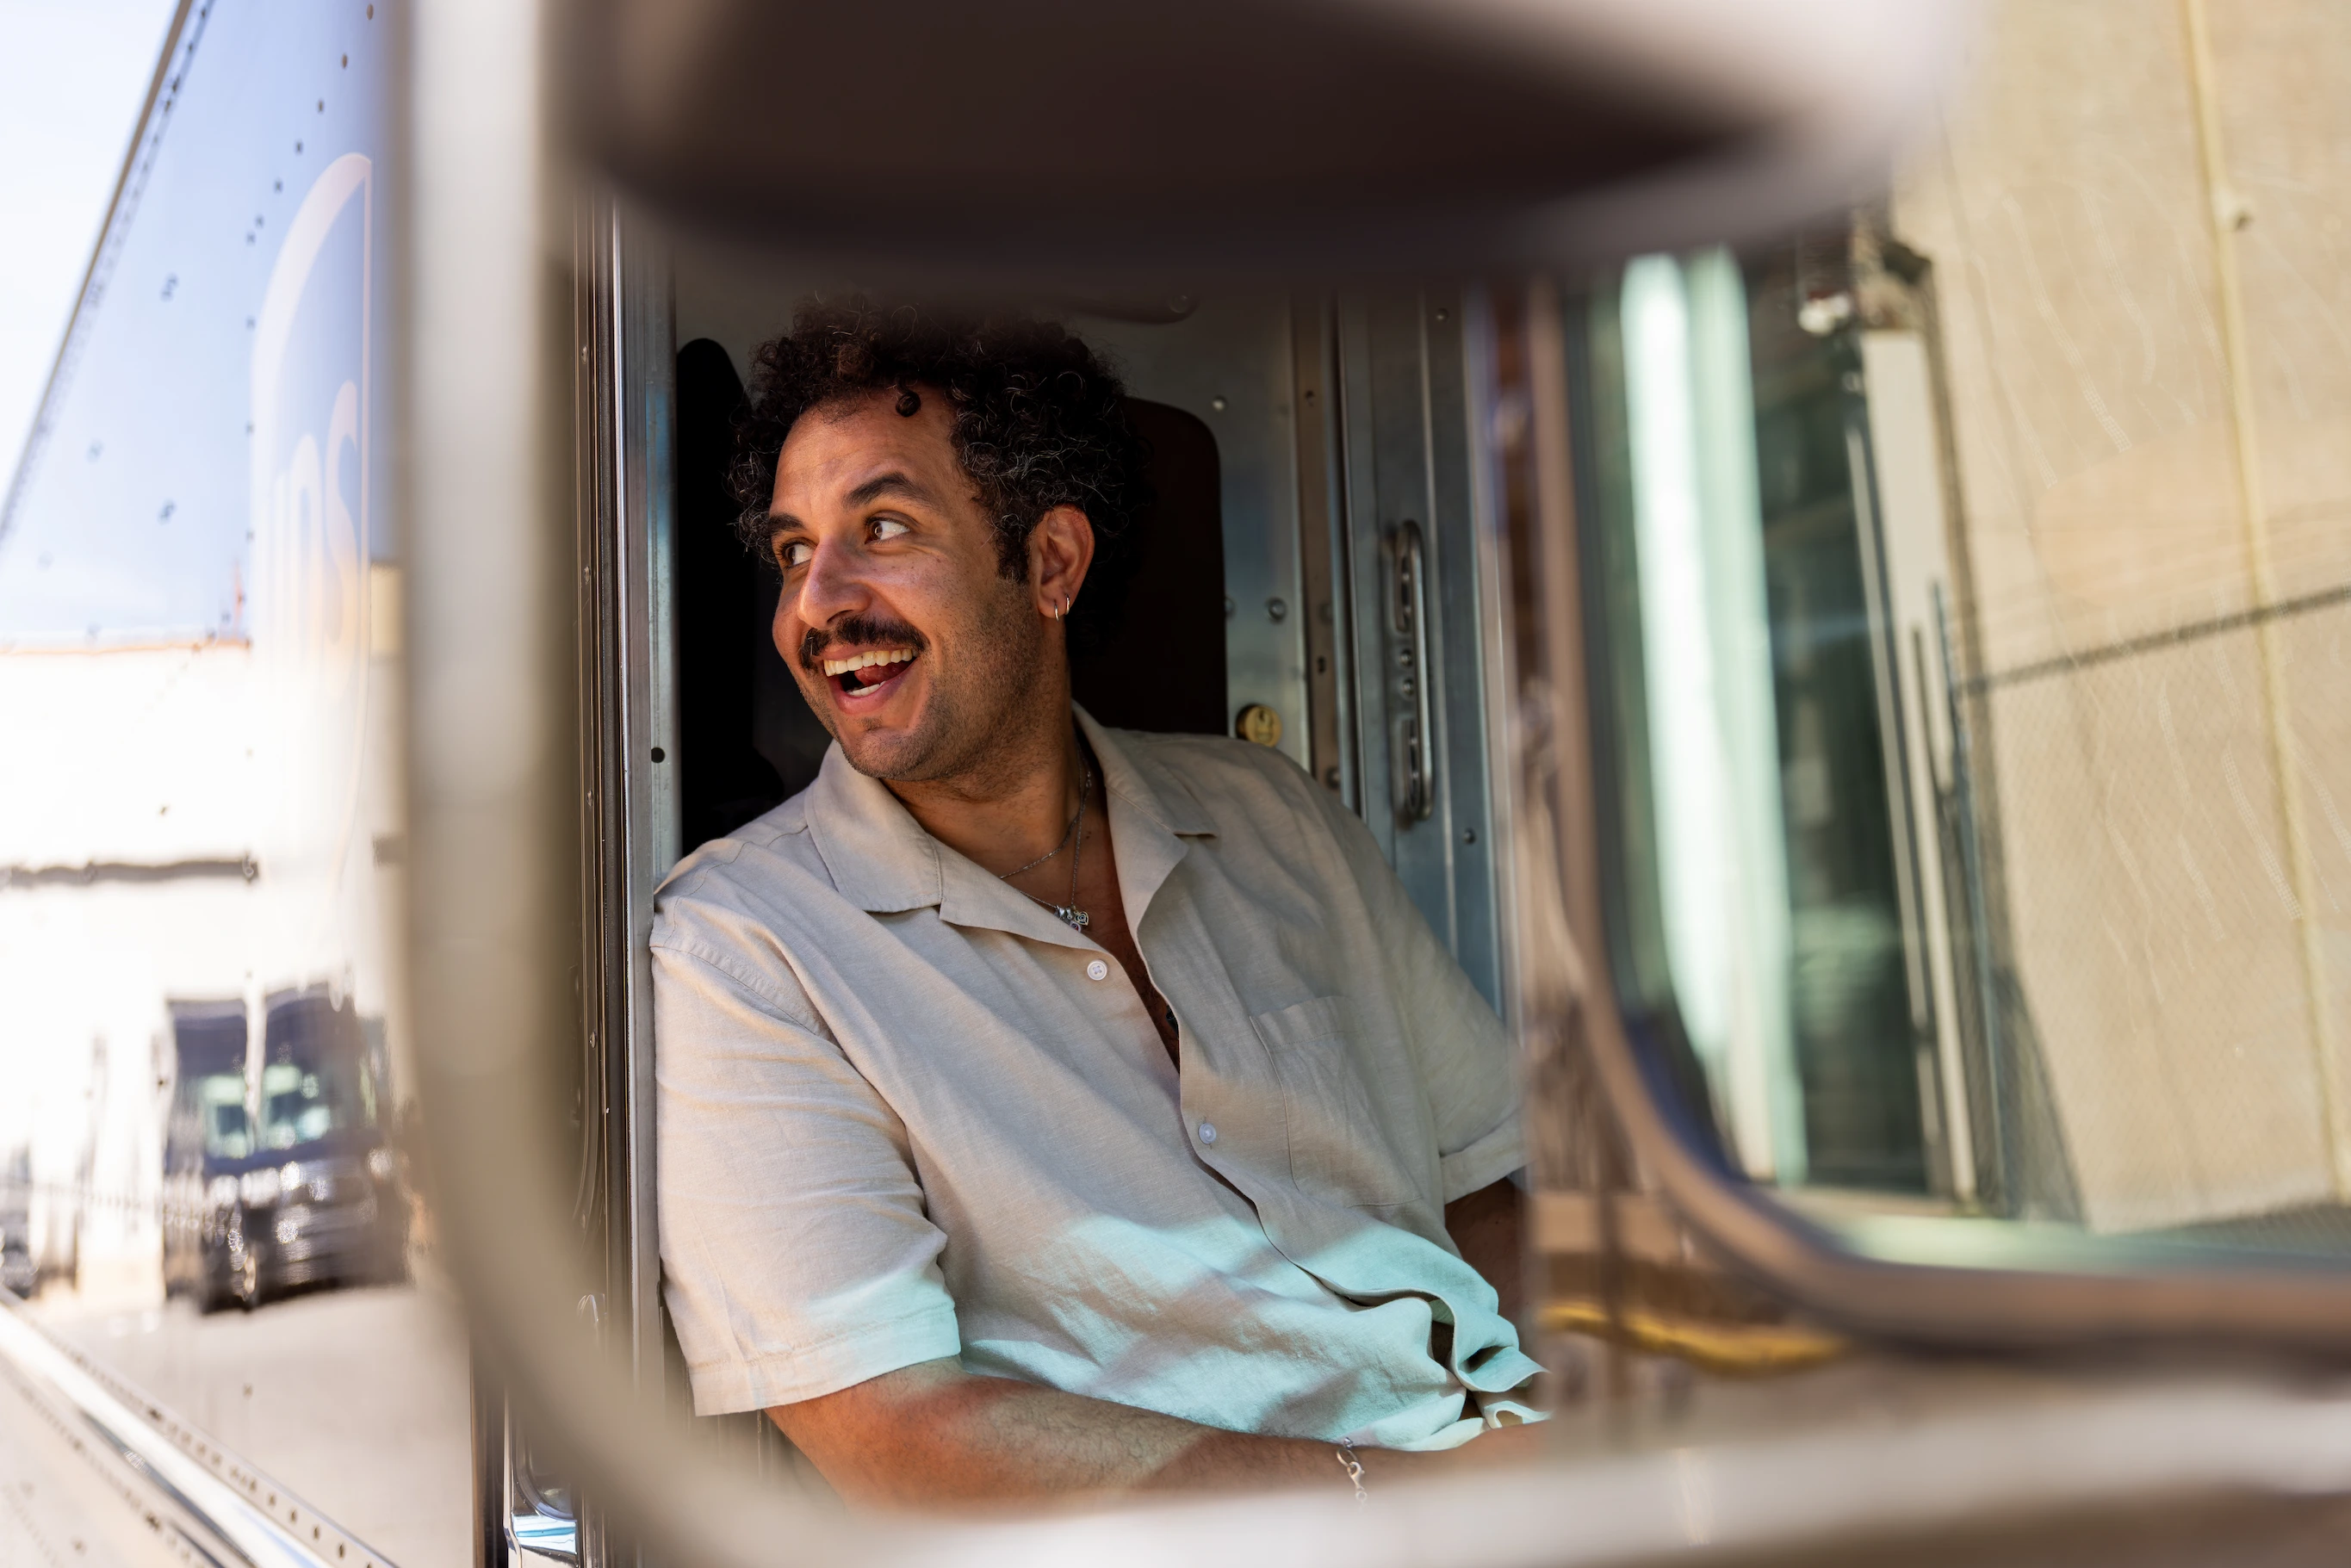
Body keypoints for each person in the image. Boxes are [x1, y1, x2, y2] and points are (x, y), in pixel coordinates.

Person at [652, 299, 1544, 1510]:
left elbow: (1486, 1200)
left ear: (1051, 564)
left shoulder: (1269, 817)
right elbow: (898, 1437)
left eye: (883, 527)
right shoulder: (745, 946)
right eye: (795, 549)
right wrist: (1396, 1504)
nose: (817, 605)